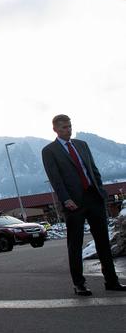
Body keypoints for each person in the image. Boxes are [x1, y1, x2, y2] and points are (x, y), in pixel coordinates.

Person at [41, 114, 126, 295]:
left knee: (103, 241)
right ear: (55, 129)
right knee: (75, 243)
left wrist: (101, 191)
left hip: (94, 198)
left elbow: (92, 170)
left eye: (70, 126)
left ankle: (111, 280)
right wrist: (66, 199)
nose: (68, 130)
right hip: (73, 203)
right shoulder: (49, 151)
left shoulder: (82, 145)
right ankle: (79, 284)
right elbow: (55, 179)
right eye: (64, 127)